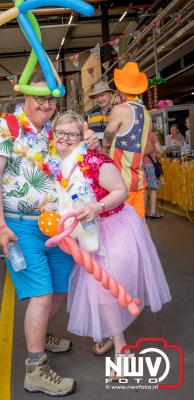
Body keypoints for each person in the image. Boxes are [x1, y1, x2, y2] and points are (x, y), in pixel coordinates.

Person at [0, 71, 98, 397]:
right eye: (40, 97)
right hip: (18, 225)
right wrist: (1, 226)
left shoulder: (51, 132)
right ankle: (36, 369)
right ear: (25, 96)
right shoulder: (3, 128)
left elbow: (73, 162)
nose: (46, 105)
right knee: (42, 293)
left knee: (61, 288)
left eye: (51, 99)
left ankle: (41, 333)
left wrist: (87, 140)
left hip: (55, 224)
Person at [49, 111, 171, 376]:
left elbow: (121, 191)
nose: (66, 139)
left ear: (81, 137)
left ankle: (120, 347)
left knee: (105, 293)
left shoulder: (94, 160)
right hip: (85, 234)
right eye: (61, 133)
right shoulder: (56, 163)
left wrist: (97, 206)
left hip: (113, 229)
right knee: (101, 292)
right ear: (53, 134)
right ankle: (111, 335)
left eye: (72, 134)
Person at [102, 62, 150, 223]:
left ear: (120, 88)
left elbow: (106, 140)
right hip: (138, 178)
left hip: (121, 181)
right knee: (140, 223)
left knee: (122, 224)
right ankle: (147, 249)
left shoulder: (121, 109)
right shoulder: (146, 112)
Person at [143, 132, 164, 219]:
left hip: (140, 164)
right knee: (153, 188)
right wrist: (161, 152)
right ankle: (152, 212)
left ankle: (143, 213)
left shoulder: (138, 133)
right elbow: (159, 149)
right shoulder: (151, 134)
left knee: (144, 189)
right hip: (151, 164)